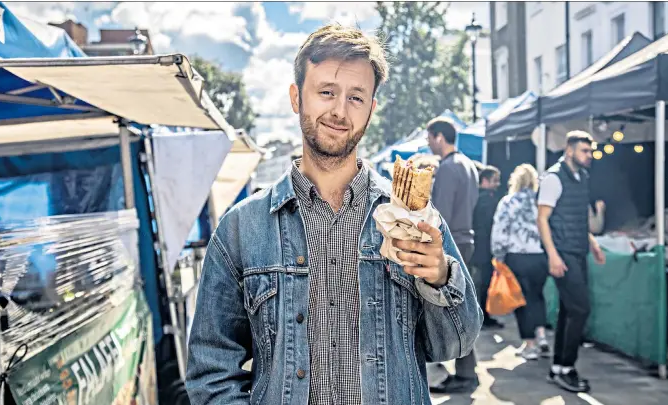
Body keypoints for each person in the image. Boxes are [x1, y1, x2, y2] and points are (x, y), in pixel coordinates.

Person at [186, 24, 483, 405]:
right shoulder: (241, 229)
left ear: (372, 109)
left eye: (356, 97)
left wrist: (440, 276)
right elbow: (211, 372)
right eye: (326, 92)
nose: (340, 111)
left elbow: (455, 345)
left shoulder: (415, 221)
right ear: (297, 97)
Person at [537, 131, 606, 393]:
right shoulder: (553, 178)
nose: (588, 156)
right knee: (580, 309)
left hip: (578, 250)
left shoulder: (582, 177)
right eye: (584, 151)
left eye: (590, 151)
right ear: (569, 150)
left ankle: (558, 368)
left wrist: (593, 243)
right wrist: (553, 255)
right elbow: (542, 219)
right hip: (562, 253)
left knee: (570, 309)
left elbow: (576, 218)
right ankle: (566, 367)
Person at [425, 117, 481, 394]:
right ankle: (467, 372)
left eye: (429, 138)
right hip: (466, 237)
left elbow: (440, 214)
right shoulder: (468, 164)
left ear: (438, 137)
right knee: (459, 307)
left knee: (454, 310)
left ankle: (467, 374)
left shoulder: (448, 168)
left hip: (453, 243)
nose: (428, 143)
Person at [491, 164, 550, 360]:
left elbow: (500, 230)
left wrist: (498, 255)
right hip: (541, 256)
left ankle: (529, 344)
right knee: (537, 296)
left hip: (517, 256)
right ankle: (541, 336)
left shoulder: (508, 202)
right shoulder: (541, 202)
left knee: (521, 300)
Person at [472, 165, 504, 330]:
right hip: (484, 248)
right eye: (494, 181)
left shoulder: (476, 197)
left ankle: (483, 316)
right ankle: (482, 317)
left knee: (482, 284)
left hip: (479, 247)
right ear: (484, 181)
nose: (497, 184)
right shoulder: (487, 200)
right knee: (483, 284)